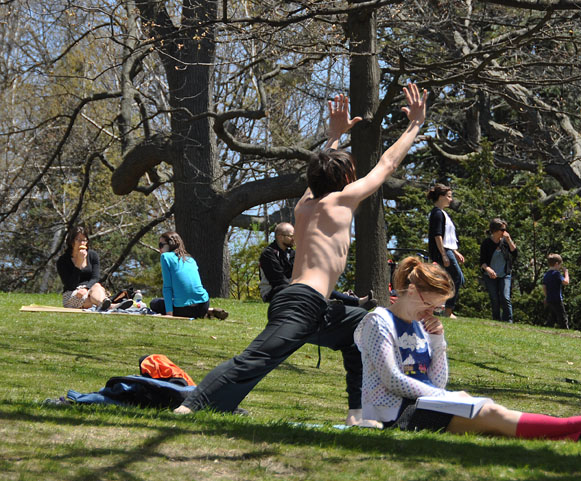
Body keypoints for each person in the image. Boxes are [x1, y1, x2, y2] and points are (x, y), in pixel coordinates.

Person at [174, 83, 429, 421]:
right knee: (255, 358)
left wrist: (334, 136)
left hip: (314, 305)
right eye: (349, 174)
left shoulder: (304, 206)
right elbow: (387, 165)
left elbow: (321, 169)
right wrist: (415, 125)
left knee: (362, 330)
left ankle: (358, 414)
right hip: (301, 303)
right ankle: (189, 405)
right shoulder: (341, 200)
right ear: (344, 180)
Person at [353, 256, 581, 441]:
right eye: (429, 304)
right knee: (492, 415)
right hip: (395, 416)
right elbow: (391, 379)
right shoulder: (378, 321)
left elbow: (437, 380)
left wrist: (438, 341)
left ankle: (580, 434)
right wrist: (446, 397)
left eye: (436, 307)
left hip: (425, 405)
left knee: (494, 422)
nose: (431, 312)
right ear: (411, 290)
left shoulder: (423, 326)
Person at [259, 222, 376, 309]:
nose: (294, 239)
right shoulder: (268, 254)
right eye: (291, 236)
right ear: (280, 236)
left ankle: (357, 302)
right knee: (307, 286)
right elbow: (278, 280)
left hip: (291, 286)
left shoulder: (291, 253)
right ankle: (329, 303)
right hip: (273, 291)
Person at [149, 231, 228, 320]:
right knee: (179, 300)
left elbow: (167, 287)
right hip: (203, 305)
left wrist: (169, 314)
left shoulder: (165, 257)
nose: (160, 249)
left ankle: (206, 312)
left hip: (183, 309)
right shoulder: (190, 259)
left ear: (170, 244)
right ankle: (208, 311)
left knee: (154, 303)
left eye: (161, 245)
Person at [56, 226, 126, 311]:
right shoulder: (63, 260)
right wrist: (79, 263)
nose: (82, 243)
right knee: (92, 299)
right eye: (78, 240)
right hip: (73, 293)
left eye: (84, 240)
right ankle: (109, 306)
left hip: (91, 289)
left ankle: (104, 305)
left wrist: (86, 288)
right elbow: (70, 285)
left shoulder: (93, 255)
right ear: (71, 242)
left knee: (97, 286)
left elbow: (95, 277)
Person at [427, 183, 464, 319]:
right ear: (441, 196)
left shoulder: (442, 213)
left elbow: (448, 238)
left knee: (456, 279)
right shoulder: (436, 213)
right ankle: (448, 310)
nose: (451, 199)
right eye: (448, 196)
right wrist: (444, 255)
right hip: (442, 252)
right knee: (456, 277)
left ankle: (438, 305)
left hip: (448, 250)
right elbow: (438, 235)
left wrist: (455, 252)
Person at [479, 218, 517, 322]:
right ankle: (496, 320)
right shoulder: (486, 243)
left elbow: (514, 253)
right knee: (494, 299)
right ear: (495, 230)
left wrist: (509, 240)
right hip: (490, 276)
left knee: (505, 297)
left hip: (504, 274)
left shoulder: (505, 242)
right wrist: (489, 270)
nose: (505, 232)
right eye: (502, 229)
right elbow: (482, 262)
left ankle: (509, 321)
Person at [542, 253, 569, 329]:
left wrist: (546, 296)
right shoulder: (556, 274)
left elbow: (544, 286)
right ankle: (565, 330)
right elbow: (566, 282)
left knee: (552, 317)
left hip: (549, 299)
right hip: (557, 299)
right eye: (560, 265)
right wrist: (566, 273)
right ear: (557, 264)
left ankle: (548, 328)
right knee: (563, 317)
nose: (560, 267)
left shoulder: (546, 274)